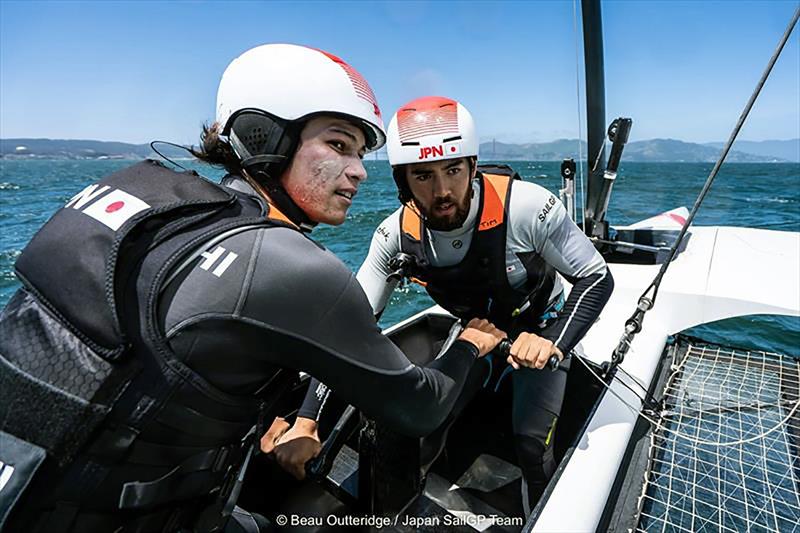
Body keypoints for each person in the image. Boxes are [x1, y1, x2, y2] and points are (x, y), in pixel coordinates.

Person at [0, 49, 505, 533]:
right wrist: (468, 346)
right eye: (338, 145)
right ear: (265, 137)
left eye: (360, 153)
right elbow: (419, 408)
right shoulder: (291, 265)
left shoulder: (149, 201)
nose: (358, 170)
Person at [277, 96, 614, 514]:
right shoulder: (395, 235)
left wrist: (553, 341)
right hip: (474, 333)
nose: (442, 192)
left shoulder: (526, 207)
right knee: (420, 423)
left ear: (473, 166)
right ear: (403, 182)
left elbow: (596, 277)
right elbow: (349, 327)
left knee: (530, 443)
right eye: (423, 176)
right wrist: (307, 420)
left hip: (540, 330)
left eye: (453, 170)